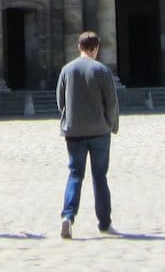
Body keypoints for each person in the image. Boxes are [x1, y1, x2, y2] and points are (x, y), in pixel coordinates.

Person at [56, 31, 120, 239]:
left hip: (74, 131)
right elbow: (111, 103)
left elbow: (60, 101)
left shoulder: (67, 70)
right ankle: (104, 222)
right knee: (100, 177)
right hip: (100, 131)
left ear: (79, 47)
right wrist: (110, 125)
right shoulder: (102, 70)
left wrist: (69, 120)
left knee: (75, 174)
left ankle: (67, 216)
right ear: (95, 49)